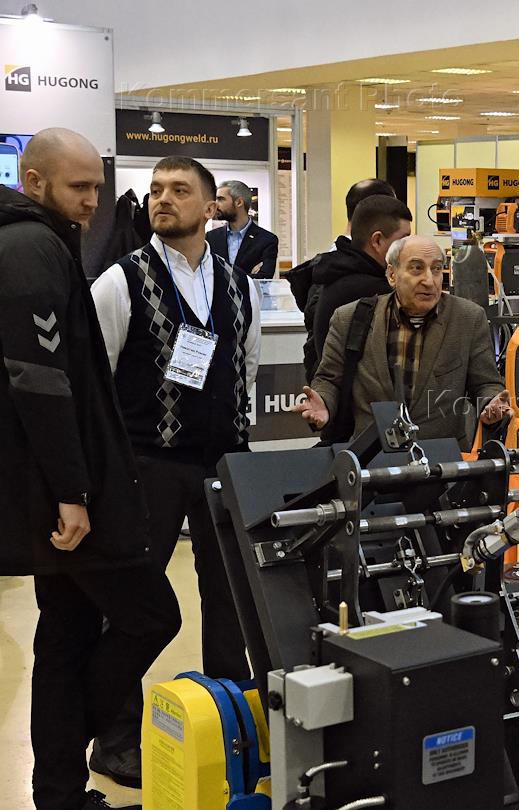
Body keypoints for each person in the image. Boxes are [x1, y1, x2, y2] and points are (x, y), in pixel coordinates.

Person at [0, 128, 180, 810]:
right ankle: (73, 748)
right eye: (79, 187)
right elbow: (40, 381)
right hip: (70, 496)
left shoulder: (44, 241)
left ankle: (58, 792)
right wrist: (72, 491)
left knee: (65, 637)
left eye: (98, 187)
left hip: (62, 486)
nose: (92, 201)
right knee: (152, 616)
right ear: (35, 181)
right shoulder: (30, 247)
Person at [90, 155, 261, 786]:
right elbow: (98, 379)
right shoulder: (120, 280)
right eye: (156, 189)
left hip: (223, 462)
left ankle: (229, 720)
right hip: (148, 464)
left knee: (231, 597)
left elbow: (245, 366)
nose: (163, 199)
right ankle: (115, 737)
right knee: (133, 603)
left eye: (179, 190)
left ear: (210, 207)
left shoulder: (238, 284)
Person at [292, 235, 510, 450]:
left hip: (441, 459)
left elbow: (485, 383)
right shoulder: (350, 318)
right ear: (392, 274)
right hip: (372, 456)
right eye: (416, 268)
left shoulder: (468, 318)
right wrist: (324, 401)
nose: (429, 280)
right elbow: (329, 379)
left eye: (436, 269)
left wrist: (491, 403)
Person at [303, 195, 412, 381]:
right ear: (377, 241)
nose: (408, 248)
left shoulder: (337, 274)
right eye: (403, 240)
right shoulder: (373, 291)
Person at [207, 179, 279, 279]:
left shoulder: (267, 240)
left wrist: (222, 278)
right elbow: (205, 275)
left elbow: (264, 278)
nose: (216, 204)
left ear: (239, 202)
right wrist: (248, 277)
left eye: (221, 199)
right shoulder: (211, 237)